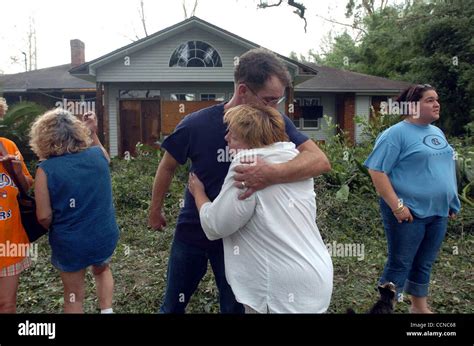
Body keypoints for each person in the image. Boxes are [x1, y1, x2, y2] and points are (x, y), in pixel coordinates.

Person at [148, 48, 331, 313]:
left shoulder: (275, 122)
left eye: (278, 101)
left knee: (235, 307)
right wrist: (155, 210)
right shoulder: (195, 123)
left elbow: (319, 161)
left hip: (240, 240)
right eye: (269, 100)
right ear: (243, 90)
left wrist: (270, 174)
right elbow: (167, 167)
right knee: (173, 304)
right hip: (194, 231)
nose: (274, 109)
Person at [188, 104, 333, 313]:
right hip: (315, 277)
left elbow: (216, 225)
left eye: (234, 135)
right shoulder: (295, 160)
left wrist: (198, 193)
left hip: (278, 289)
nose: (226, 137)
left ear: (252, 140)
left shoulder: (247, 165)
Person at [364, 84, 461, 313]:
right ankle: (385, 309)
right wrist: (397, 207)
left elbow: (444, 169)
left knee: (424, 262)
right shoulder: (395, 134)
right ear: (412, 106)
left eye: (437, 99)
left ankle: (419, 308)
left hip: (437, 211)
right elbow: (377, 171)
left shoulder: (436, 132)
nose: (436, 104)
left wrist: (450, 200)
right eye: (429, 100)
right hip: (408, 212)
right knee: (400, 263)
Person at [31, 109, 119, 313]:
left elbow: (43, 216)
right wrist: (93, 132)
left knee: (73, 297)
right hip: (103, 234)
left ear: (43, 138)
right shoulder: (98, 156)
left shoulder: (45, 170)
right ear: (77, 131)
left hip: (70, 242)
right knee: (102, 269)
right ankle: (107, 311)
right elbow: (106, 157)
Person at [0, 136, 34, 313]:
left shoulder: (7, 146)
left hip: (9, 243)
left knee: (7, 304)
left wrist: (17, 171)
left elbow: (26, 187)